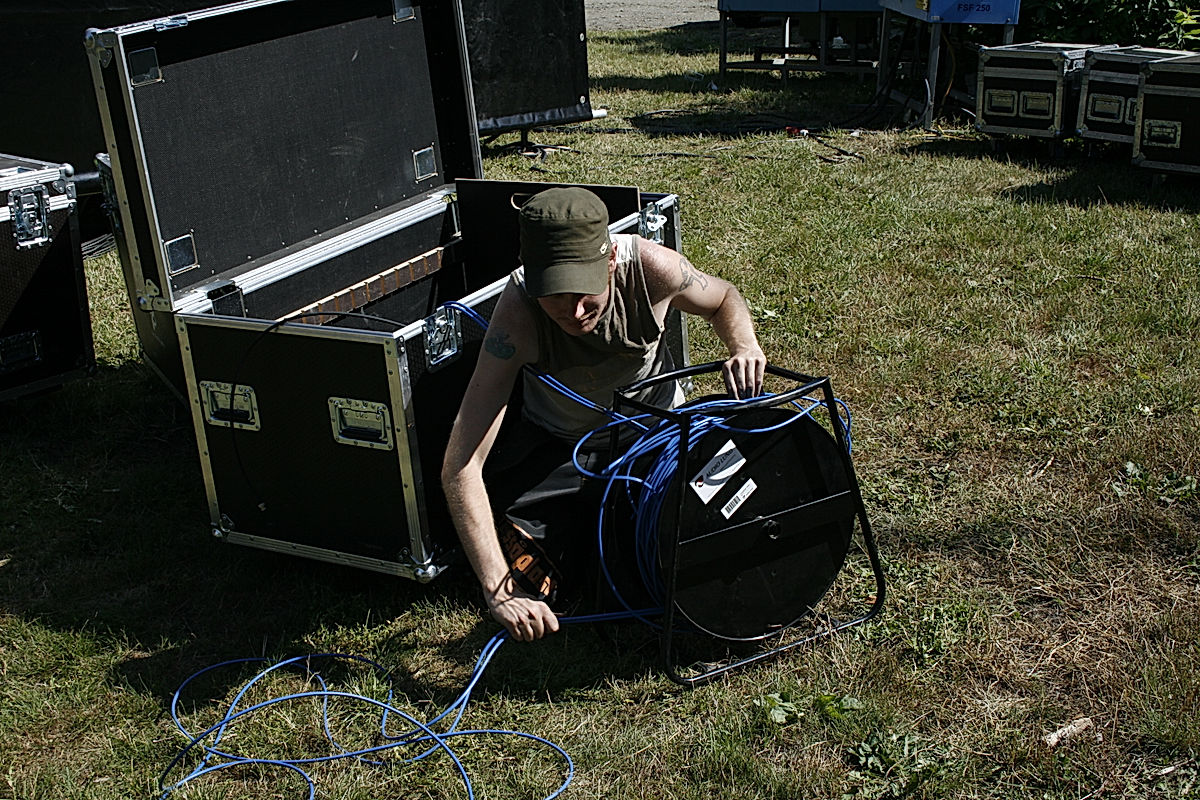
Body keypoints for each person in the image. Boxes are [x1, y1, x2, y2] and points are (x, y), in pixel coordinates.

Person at [441, 187, 765, 642]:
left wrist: (744, 345)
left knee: (727, 513)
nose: (573, 312)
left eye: (582, 293)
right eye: (555, 297)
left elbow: (724, 297)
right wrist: (498, 591)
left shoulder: (653, 268)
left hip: (657, 436)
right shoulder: (517, 316)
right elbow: (460, 465)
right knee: (548, 572)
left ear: (611, 259)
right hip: (562, 448)